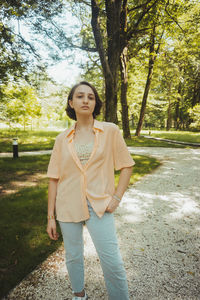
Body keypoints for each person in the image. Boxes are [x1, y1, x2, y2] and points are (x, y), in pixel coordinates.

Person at [46, 81, 135, 300]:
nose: (86, 100)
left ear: (95, 103)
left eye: (91, 97)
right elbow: (54, 178)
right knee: (73, 256)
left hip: (100, 204)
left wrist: (116, 197)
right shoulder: (61, 139)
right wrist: (50, 217)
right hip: (67, 204)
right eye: (80, 96)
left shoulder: (110, 130)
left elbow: (127, 165)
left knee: (112, 260)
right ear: (71, 103)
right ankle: (79, 295)